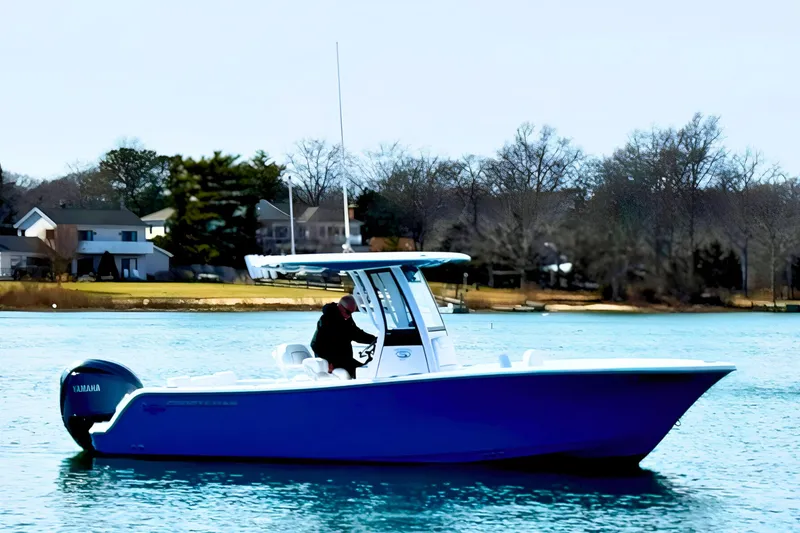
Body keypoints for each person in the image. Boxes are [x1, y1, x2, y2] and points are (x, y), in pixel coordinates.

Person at [310, 295, 377, 379]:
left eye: (351, 313)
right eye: (348, 312)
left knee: (366, 369)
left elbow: (356, 334)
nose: (349, 316)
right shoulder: (326, 320)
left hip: (345, 359)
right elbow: (315, 344)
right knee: (362, 373)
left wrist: (375, 340)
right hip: (332, 362)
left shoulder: (346, 318)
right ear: (340, 306)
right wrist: (327, 362)